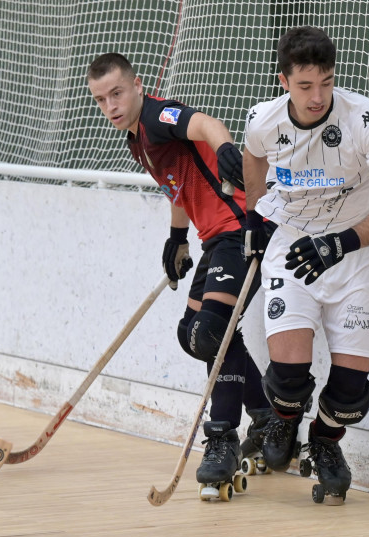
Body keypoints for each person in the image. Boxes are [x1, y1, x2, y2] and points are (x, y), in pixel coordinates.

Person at [241, 27, 369, 504]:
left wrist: (340, 244)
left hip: (354, 254)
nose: (318, 96)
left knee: (350, 392)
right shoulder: (263, 120)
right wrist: (257, 213)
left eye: (326, 83)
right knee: (289, 379)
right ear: (284, 81)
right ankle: (282, 422)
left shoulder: (365, 118)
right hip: (294, 250)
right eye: (305, 86)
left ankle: (323, 442)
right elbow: (252, 161)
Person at [86, 53, 271, 491]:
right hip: (213, 239)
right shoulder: (136, 139)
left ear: (136, 85)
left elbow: (204, 123)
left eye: (117, 93)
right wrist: (176, 237)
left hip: (243, 230)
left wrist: (226, 148)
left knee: (212, 332)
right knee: (192, 332)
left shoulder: (156, 115)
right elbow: (178, 185)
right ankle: (267, 416)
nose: (111, 105)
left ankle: (222, 438)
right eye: (101, 100)